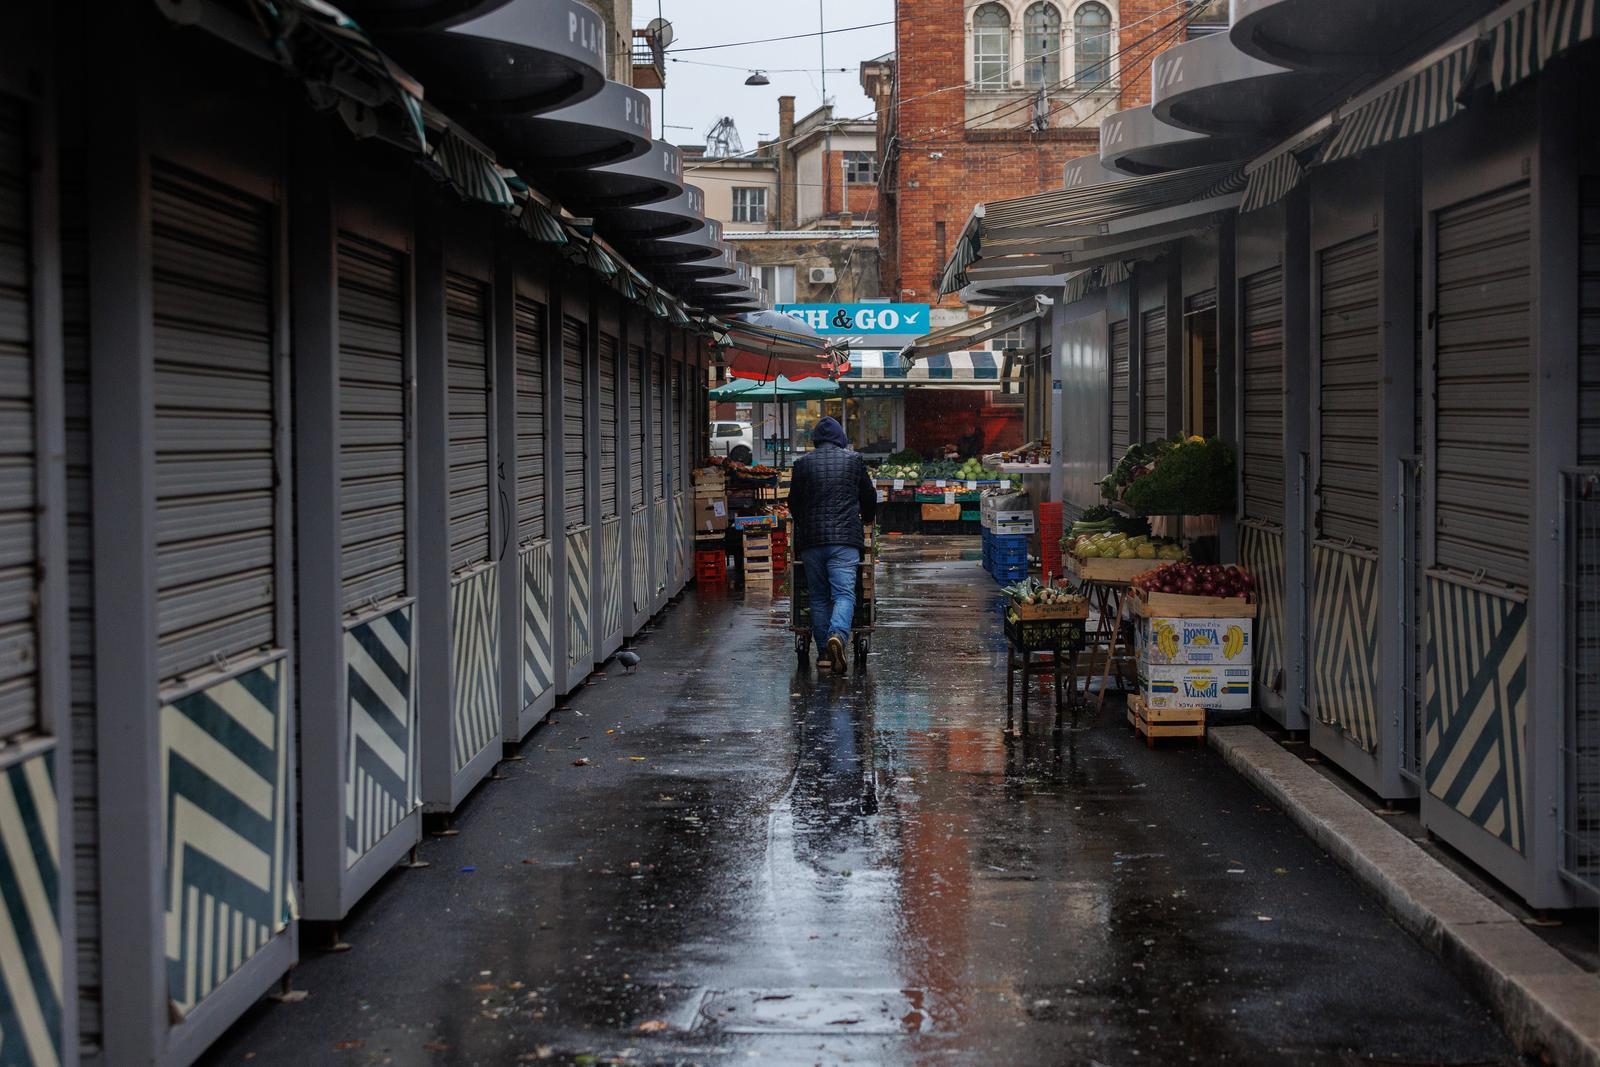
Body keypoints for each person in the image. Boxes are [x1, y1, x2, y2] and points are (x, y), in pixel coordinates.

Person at [789, 416, 877, 674]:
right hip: (844, 541)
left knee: (818, 597)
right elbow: (868, 497)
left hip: (812, 542)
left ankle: (825, 655)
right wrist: (868, 517)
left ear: (815, 439)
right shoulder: (854, 461)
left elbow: (794, 502)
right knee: (843, 593)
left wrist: (806, 520)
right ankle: (838, 634)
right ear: (841, 438)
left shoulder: (802, 464)